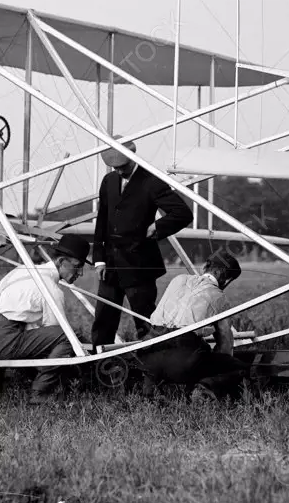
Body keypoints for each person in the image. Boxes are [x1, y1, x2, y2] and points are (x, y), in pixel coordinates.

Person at [0, 234, 90, 404]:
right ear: (61, 262)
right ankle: (41, 393)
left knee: (17, 334)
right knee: (70, 336)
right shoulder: (52, 289)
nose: (81, 273)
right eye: (77, 267)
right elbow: (58, 334)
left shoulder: (24, 270)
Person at [91, 139, 192, 345]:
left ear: (133, 158)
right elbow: (102, 221)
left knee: (145, 319)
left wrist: (159, 226)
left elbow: (182, 213)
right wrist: (99, 260)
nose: (119, 171)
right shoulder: (108, 181)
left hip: (139, 264)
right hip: (110, 265)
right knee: (103, 319)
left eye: (123, 166)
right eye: (115, 167)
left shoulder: (151, 181)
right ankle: (97, 361)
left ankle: (152, 361)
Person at [136, 250, 248, 401]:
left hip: (146, 354)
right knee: (238, 367)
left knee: (159, 356)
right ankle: (203, 389)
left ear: (204, 268)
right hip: (183, 360)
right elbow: (225, 345)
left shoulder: (178, 279)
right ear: (223, 276)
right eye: (229, 280)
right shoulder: (220, 298)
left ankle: (149, 391)